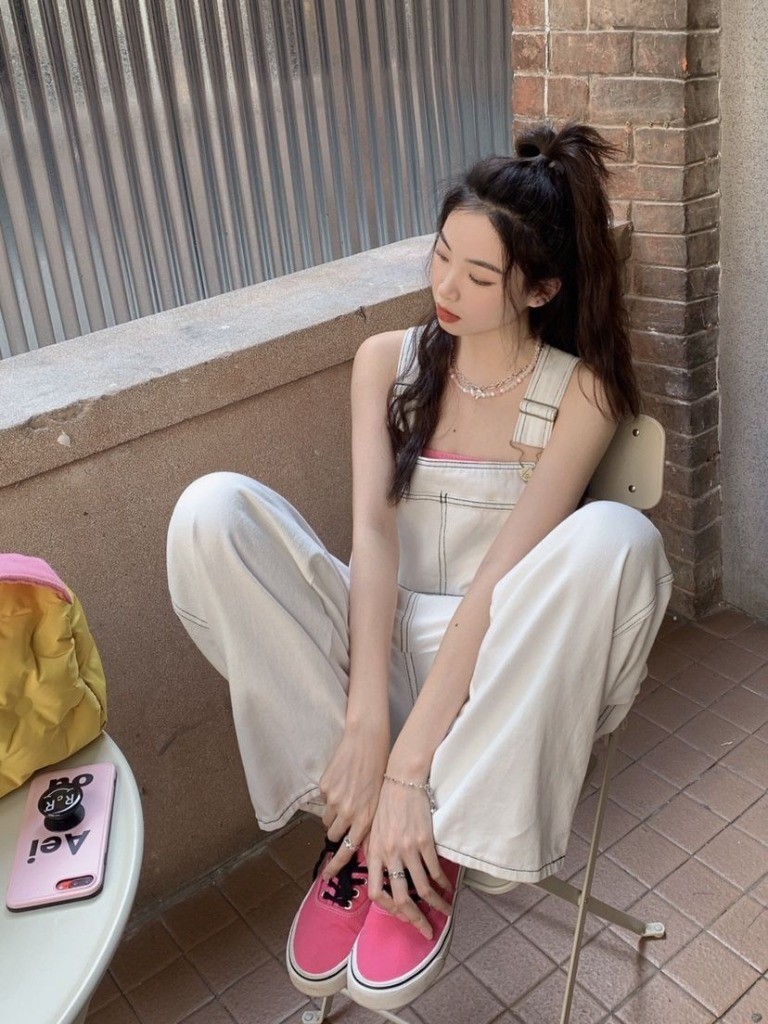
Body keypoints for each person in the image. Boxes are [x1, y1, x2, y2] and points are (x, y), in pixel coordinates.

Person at [166, 122, 673, 1013]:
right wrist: (368, 724)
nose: (445, 288)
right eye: (441, 256)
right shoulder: (385, 365)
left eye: (478, 276)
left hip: (490, 670)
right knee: (213, 511)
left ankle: (433, 832)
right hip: (376, 634)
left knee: (619, 539)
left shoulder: (580, 393)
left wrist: (410, 767)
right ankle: (358, 829)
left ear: (541, 289)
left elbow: (501, 580)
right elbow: (373, 536)